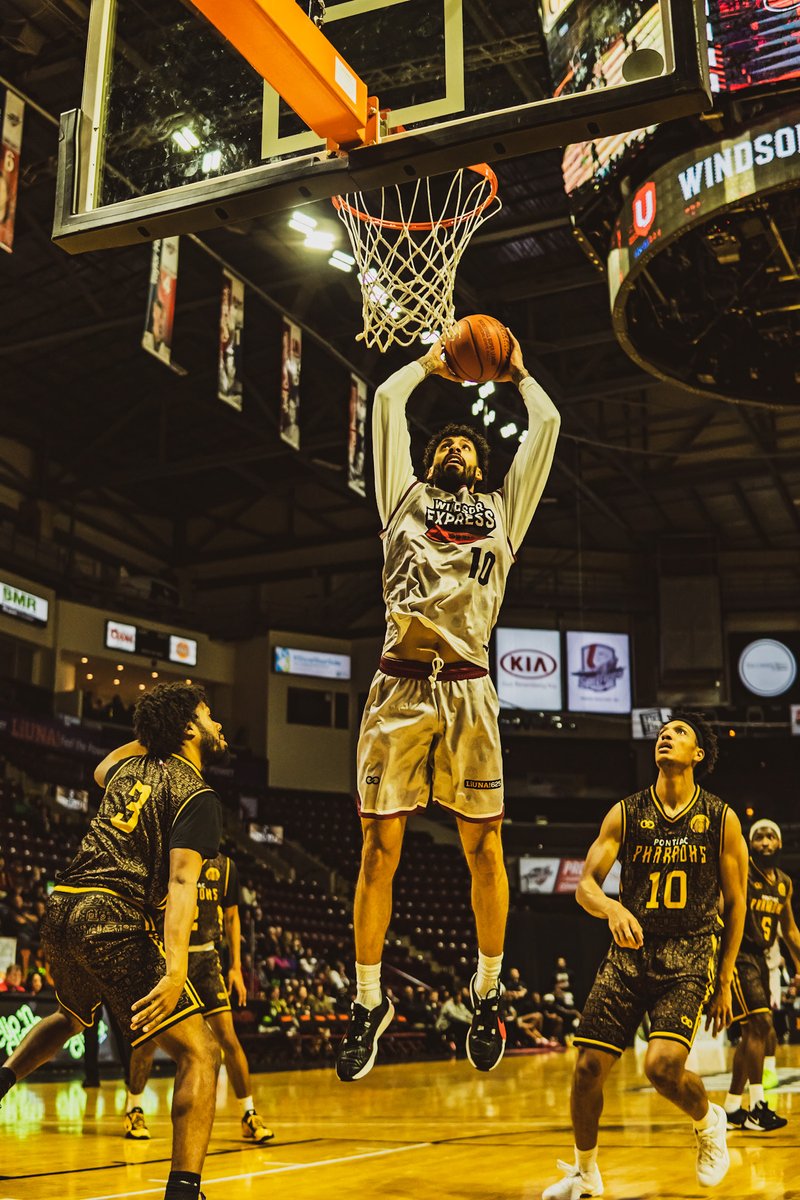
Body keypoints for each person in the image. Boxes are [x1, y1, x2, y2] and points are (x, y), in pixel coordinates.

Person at [335, 331, 560, 1083]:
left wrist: (519, 375)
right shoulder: (402, 496)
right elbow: (389, 402)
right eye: (447, 444)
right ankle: (369, 1003)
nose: (456, 449)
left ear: (482, 463)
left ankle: (489, 991)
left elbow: (548, 427)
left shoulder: (503, 511)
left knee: (484, 851)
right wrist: (431, 364)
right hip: (398, 685)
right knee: (377, 850)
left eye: (467, 445)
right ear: (430, 461)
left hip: (467, 686)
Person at [0, 682, 227, 1200]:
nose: (217, 724)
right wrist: (174, 973)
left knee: (72, 1017)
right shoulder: (198, 796)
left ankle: (1, 1079)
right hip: (111, 913)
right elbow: (180, 885)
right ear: (189, 729)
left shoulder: (128, 771)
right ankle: (185, 1191)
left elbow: (101, 767)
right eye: (207, 715)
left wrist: (152, 732)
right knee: (200, 1053)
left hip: (62, 906)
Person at [543, 712, 747, 1199]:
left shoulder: (720, 817)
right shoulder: (626, 812)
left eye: (679, 732)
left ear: (698, 755)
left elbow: (736, 903)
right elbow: (585, 886)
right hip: (629, 952)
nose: (666, 735)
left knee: (661, 1069)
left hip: (689, 953)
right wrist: (611, 907)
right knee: (588, 1067)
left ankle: (709, 1120)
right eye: (663, 731)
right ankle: (585, 1173)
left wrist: (723, 978)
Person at [125, 852, 274, 1144]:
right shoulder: (167, 856)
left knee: (228, 1039)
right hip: (167, 959)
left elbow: (231, 918)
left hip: (206, 958)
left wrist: (235, 967)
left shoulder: (227, 866)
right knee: (147, 1039)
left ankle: (248, 1114)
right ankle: (134, 1108)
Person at [724, 819, 800, 1132]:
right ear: (750, 844)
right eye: (759, 838)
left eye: (770, 837)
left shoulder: (783, 882)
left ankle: (731, 1108)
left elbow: (790, 930)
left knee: (752, 1033)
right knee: (761, 1024)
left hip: (761, 958)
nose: (765, 842)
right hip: (738, 954)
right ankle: (757, 1107)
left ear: (779, 844)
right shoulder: (741, 873)